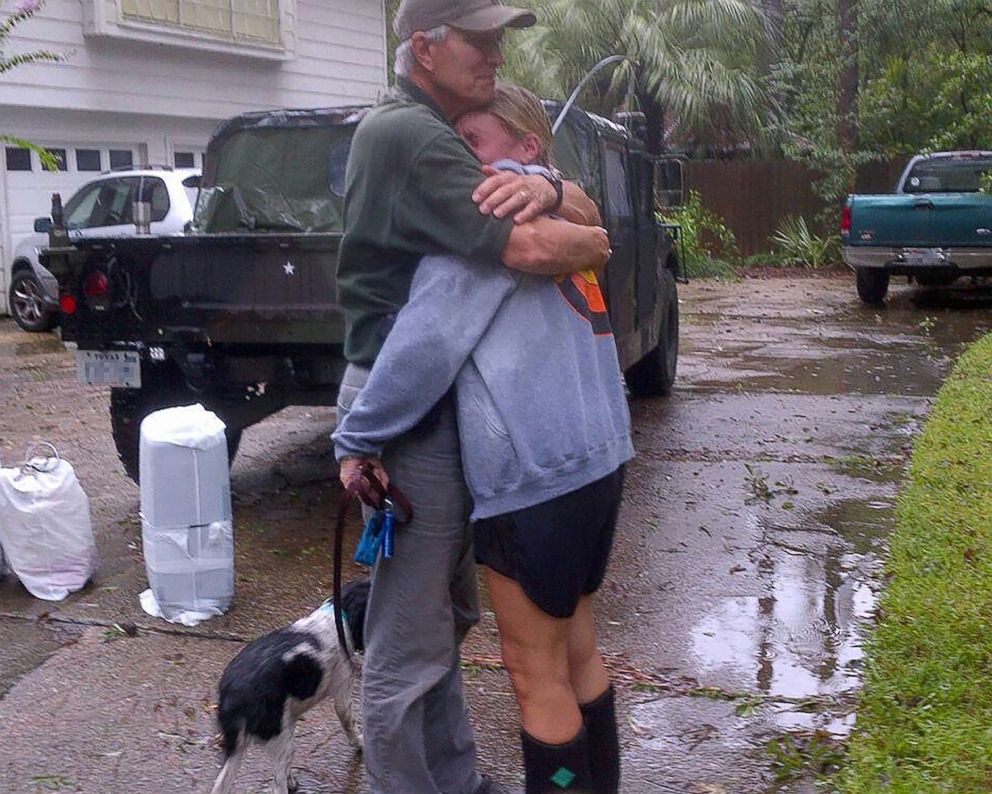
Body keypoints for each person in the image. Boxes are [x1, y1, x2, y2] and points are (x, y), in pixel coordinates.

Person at [334, 2, 611, 793]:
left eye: (498, 38)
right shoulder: (413, 136)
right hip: (401, 399)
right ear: (424, 47)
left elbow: (544, 199)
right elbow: (526, 247)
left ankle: (454, 778)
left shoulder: (435, 128)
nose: (496, 53)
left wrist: (554, 189)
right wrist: (591, 238)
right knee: (409, 635)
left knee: (445, 618)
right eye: (479, 40)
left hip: (427, 393)